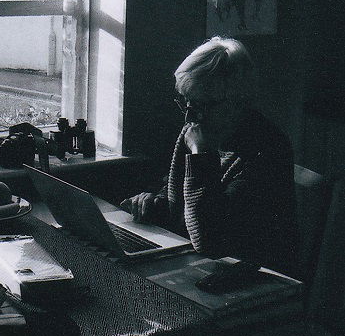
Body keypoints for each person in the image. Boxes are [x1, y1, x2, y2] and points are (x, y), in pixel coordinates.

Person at [121, 36, 297, 274]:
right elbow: (182, 199)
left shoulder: (267, 149)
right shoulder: (200, 129)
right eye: (185, 103)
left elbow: (211, 239)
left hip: (250, 277)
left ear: (236, 101)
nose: (188, 117)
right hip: (201, 263)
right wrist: (156, 203)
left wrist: (200, 154)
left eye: (200, 106)